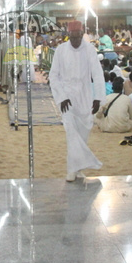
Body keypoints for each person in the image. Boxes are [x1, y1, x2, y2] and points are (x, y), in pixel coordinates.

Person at [48, 20, 106, 182]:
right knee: (71, 134)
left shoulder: (89, 50)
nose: (75, 41)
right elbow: (53, 76)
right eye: (72, 37)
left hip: (85, 96)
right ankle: (71, 170)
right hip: (66, 97)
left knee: (83, 133)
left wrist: (98, 98)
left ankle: (78, 168)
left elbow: (98, 74)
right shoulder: (60, 50)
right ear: (68, 36)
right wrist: (61, 97)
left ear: (82, 35)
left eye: (78, 37)